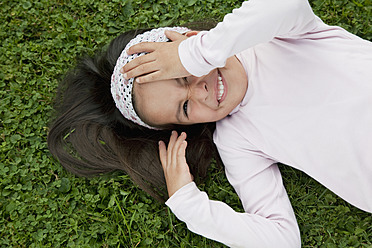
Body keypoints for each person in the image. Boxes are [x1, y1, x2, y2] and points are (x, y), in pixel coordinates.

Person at [48, 0, 372, 247]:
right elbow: (282, 239)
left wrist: (198, 53)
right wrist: (190, 206)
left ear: (189, 39)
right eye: (185, 107)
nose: (199, 91)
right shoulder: (237, 140)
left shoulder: (274, 37)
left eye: (184, 74)